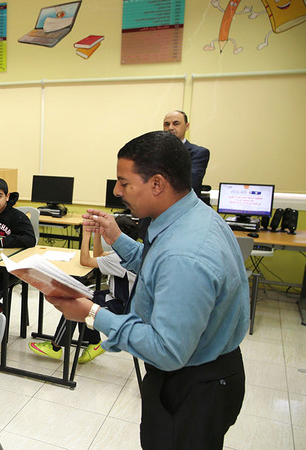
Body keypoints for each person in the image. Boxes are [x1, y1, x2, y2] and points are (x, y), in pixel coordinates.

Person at [47, 131, 248, 449]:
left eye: (124, 183)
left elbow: (167, 350)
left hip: (193, 385)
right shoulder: (189, 218)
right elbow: (158, 267)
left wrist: (92, 313)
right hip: (204, 372)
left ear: (157, 184)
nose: (117, 191)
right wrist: (116, 238)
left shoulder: (184, 254)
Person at [30, 216, 139, 364]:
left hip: (123, 306)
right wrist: (97, 234)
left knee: (78, 303)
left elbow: (85, 260)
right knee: (83, 295)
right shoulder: (130, 251)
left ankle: (56, 347)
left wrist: (86, 235)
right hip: (125, 299)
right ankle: (94, 343)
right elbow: (98, 255)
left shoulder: (118, 258)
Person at [163, 110, 210, 198]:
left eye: (176, 123)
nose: (170, 128)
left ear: (187, 126)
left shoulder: (198, 153)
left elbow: (190, 183)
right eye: (167, 124)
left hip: (184, 204)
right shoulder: (154, 152)